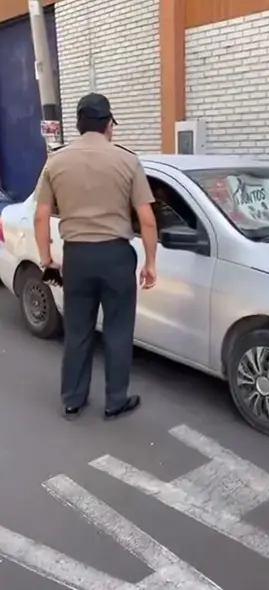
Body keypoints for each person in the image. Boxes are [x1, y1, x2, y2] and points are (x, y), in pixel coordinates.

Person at [34, 93, 157, 420]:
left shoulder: (56, 161)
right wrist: (150, 262)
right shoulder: (128, 161)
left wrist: (46, 260)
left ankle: (73, 399)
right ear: (108, 124)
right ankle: (115, 400)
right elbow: (147, 218)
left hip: (77, 258)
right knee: (117, 331)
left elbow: (41, 216)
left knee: (77, 330)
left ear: (78, 124)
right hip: (116, 257)